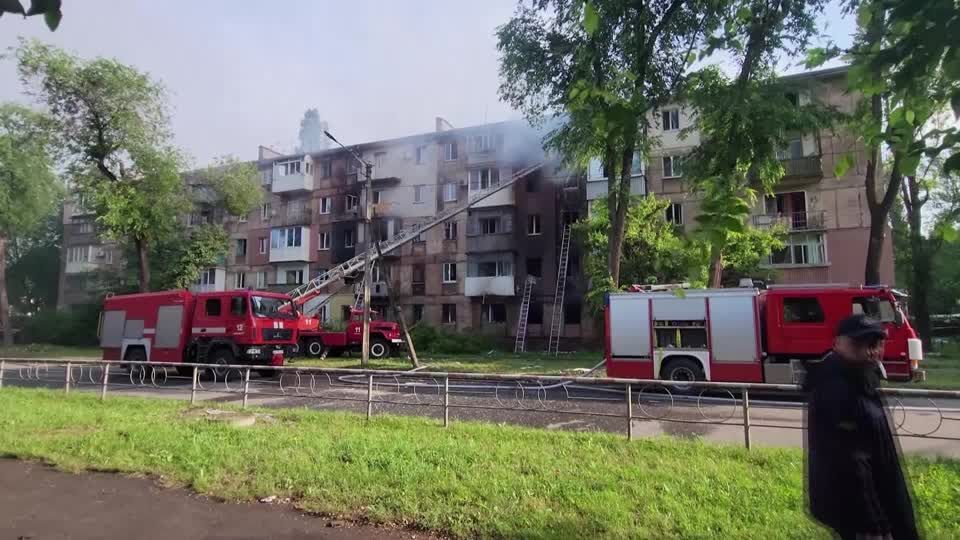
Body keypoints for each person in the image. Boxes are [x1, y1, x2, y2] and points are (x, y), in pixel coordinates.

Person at [804, 314, 919, 540]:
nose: (870, 351)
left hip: (876, 503)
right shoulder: (835, 388)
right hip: (863, 516)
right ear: (837, 344)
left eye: (876, 344)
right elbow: (850, 462)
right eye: (859, 344)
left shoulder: (860, 378)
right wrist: (872, 523)